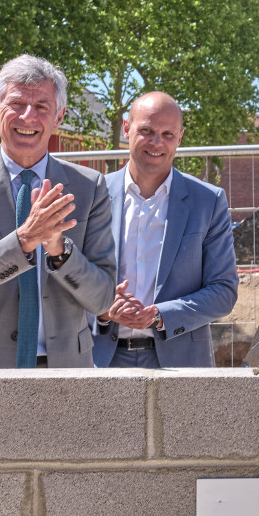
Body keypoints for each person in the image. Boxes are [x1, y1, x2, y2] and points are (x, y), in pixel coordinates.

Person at [0, 55, 116, 373]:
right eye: (17, 103)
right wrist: (25, 239)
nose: (28, 117)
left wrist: (59, 251)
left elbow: (102, 300)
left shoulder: (90, 187)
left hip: (66, 373)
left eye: (42, 106)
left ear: (59, 117)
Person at [92, 92, 239, 368]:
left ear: (180, 137)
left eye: (167, 134)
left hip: (180, 362)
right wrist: (102, 310)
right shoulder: (92, 195)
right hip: (101, 358)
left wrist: (160, 315)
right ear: (126, 128)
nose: (156, 142)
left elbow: (223, 291)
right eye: (146, 130)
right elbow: (67, 281)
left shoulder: (208, 201)